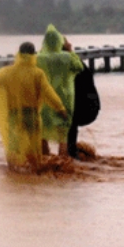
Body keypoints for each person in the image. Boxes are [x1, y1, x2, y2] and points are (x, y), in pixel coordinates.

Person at [0, 41, 68, 173]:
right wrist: (60, 109)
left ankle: (14, 176)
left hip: (14, 117)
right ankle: (35, 175)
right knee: (33, 151)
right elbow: (49, 93)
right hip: (31, 117)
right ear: (34, 55)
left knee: (13, 150)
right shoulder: (37, 74)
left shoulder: (8, 72)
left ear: (19, 54)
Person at [36, 24, 83, 157]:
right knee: (63, 136)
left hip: (44, 101)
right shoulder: (67, 58)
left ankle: (44, 165)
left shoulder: (38, 58)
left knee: (42, 134)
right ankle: (62, 167)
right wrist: (70, 50)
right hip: (65, 100)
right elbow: (79, 67)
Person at [67, 53, 100, 159]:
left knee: (70, 122)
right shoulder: (77, 62)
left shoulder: (68, 65)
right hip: (92, 106)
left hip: (83, 106)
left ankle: (71, 154)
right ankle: (72, 152)